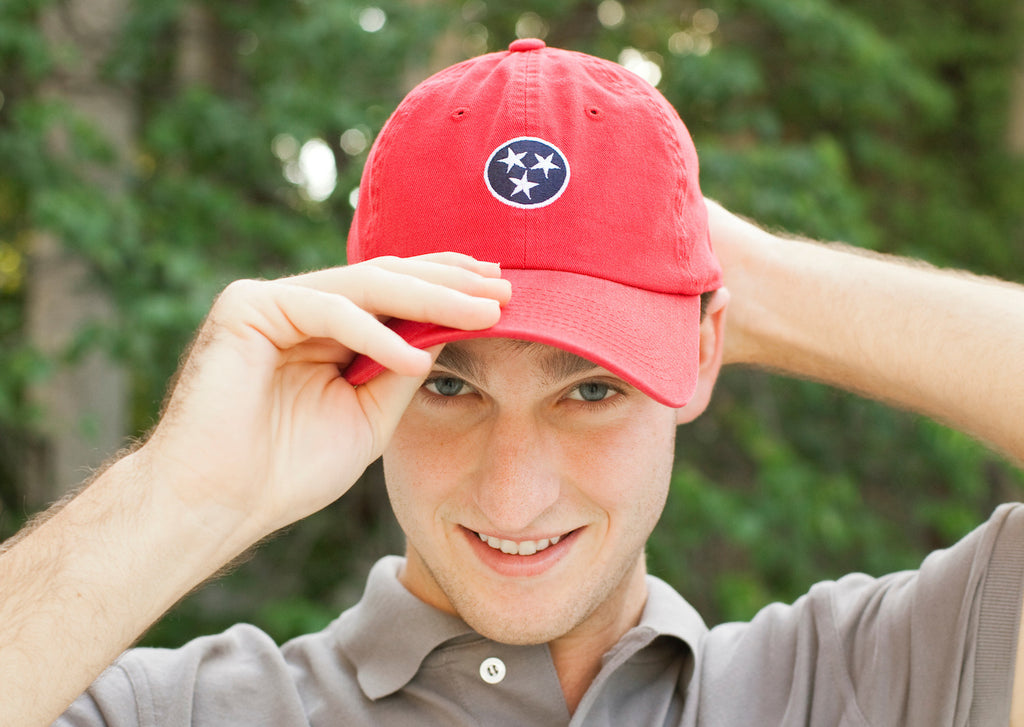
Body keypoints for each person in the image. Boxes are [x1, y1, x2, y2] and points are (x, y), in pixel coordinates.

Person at [1, 39, 1022, 727]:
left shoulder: (856, 685)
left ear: (702, 354)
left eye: (589, 390)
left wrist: (756, 282)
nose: (513, 492)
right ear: (366, 372)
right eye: (449, 387)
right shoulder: (186, 711)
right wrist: (179, 494)